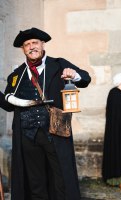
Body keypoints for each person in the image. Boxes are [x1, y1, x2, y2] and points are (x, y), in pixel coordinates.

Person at [0, 27, 91, 200]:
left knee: (61, 177)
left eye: (34, 42)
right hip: (27, 135)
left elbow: (86, 78)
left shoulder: (59, 64)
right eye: (27, 44)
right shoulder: (16, 75)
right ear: (23, 49)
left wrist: (75, 75)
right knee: (35, 181)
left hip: (55, 132)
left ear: (42, 45)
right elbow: (8, 104)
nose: (31, 47)